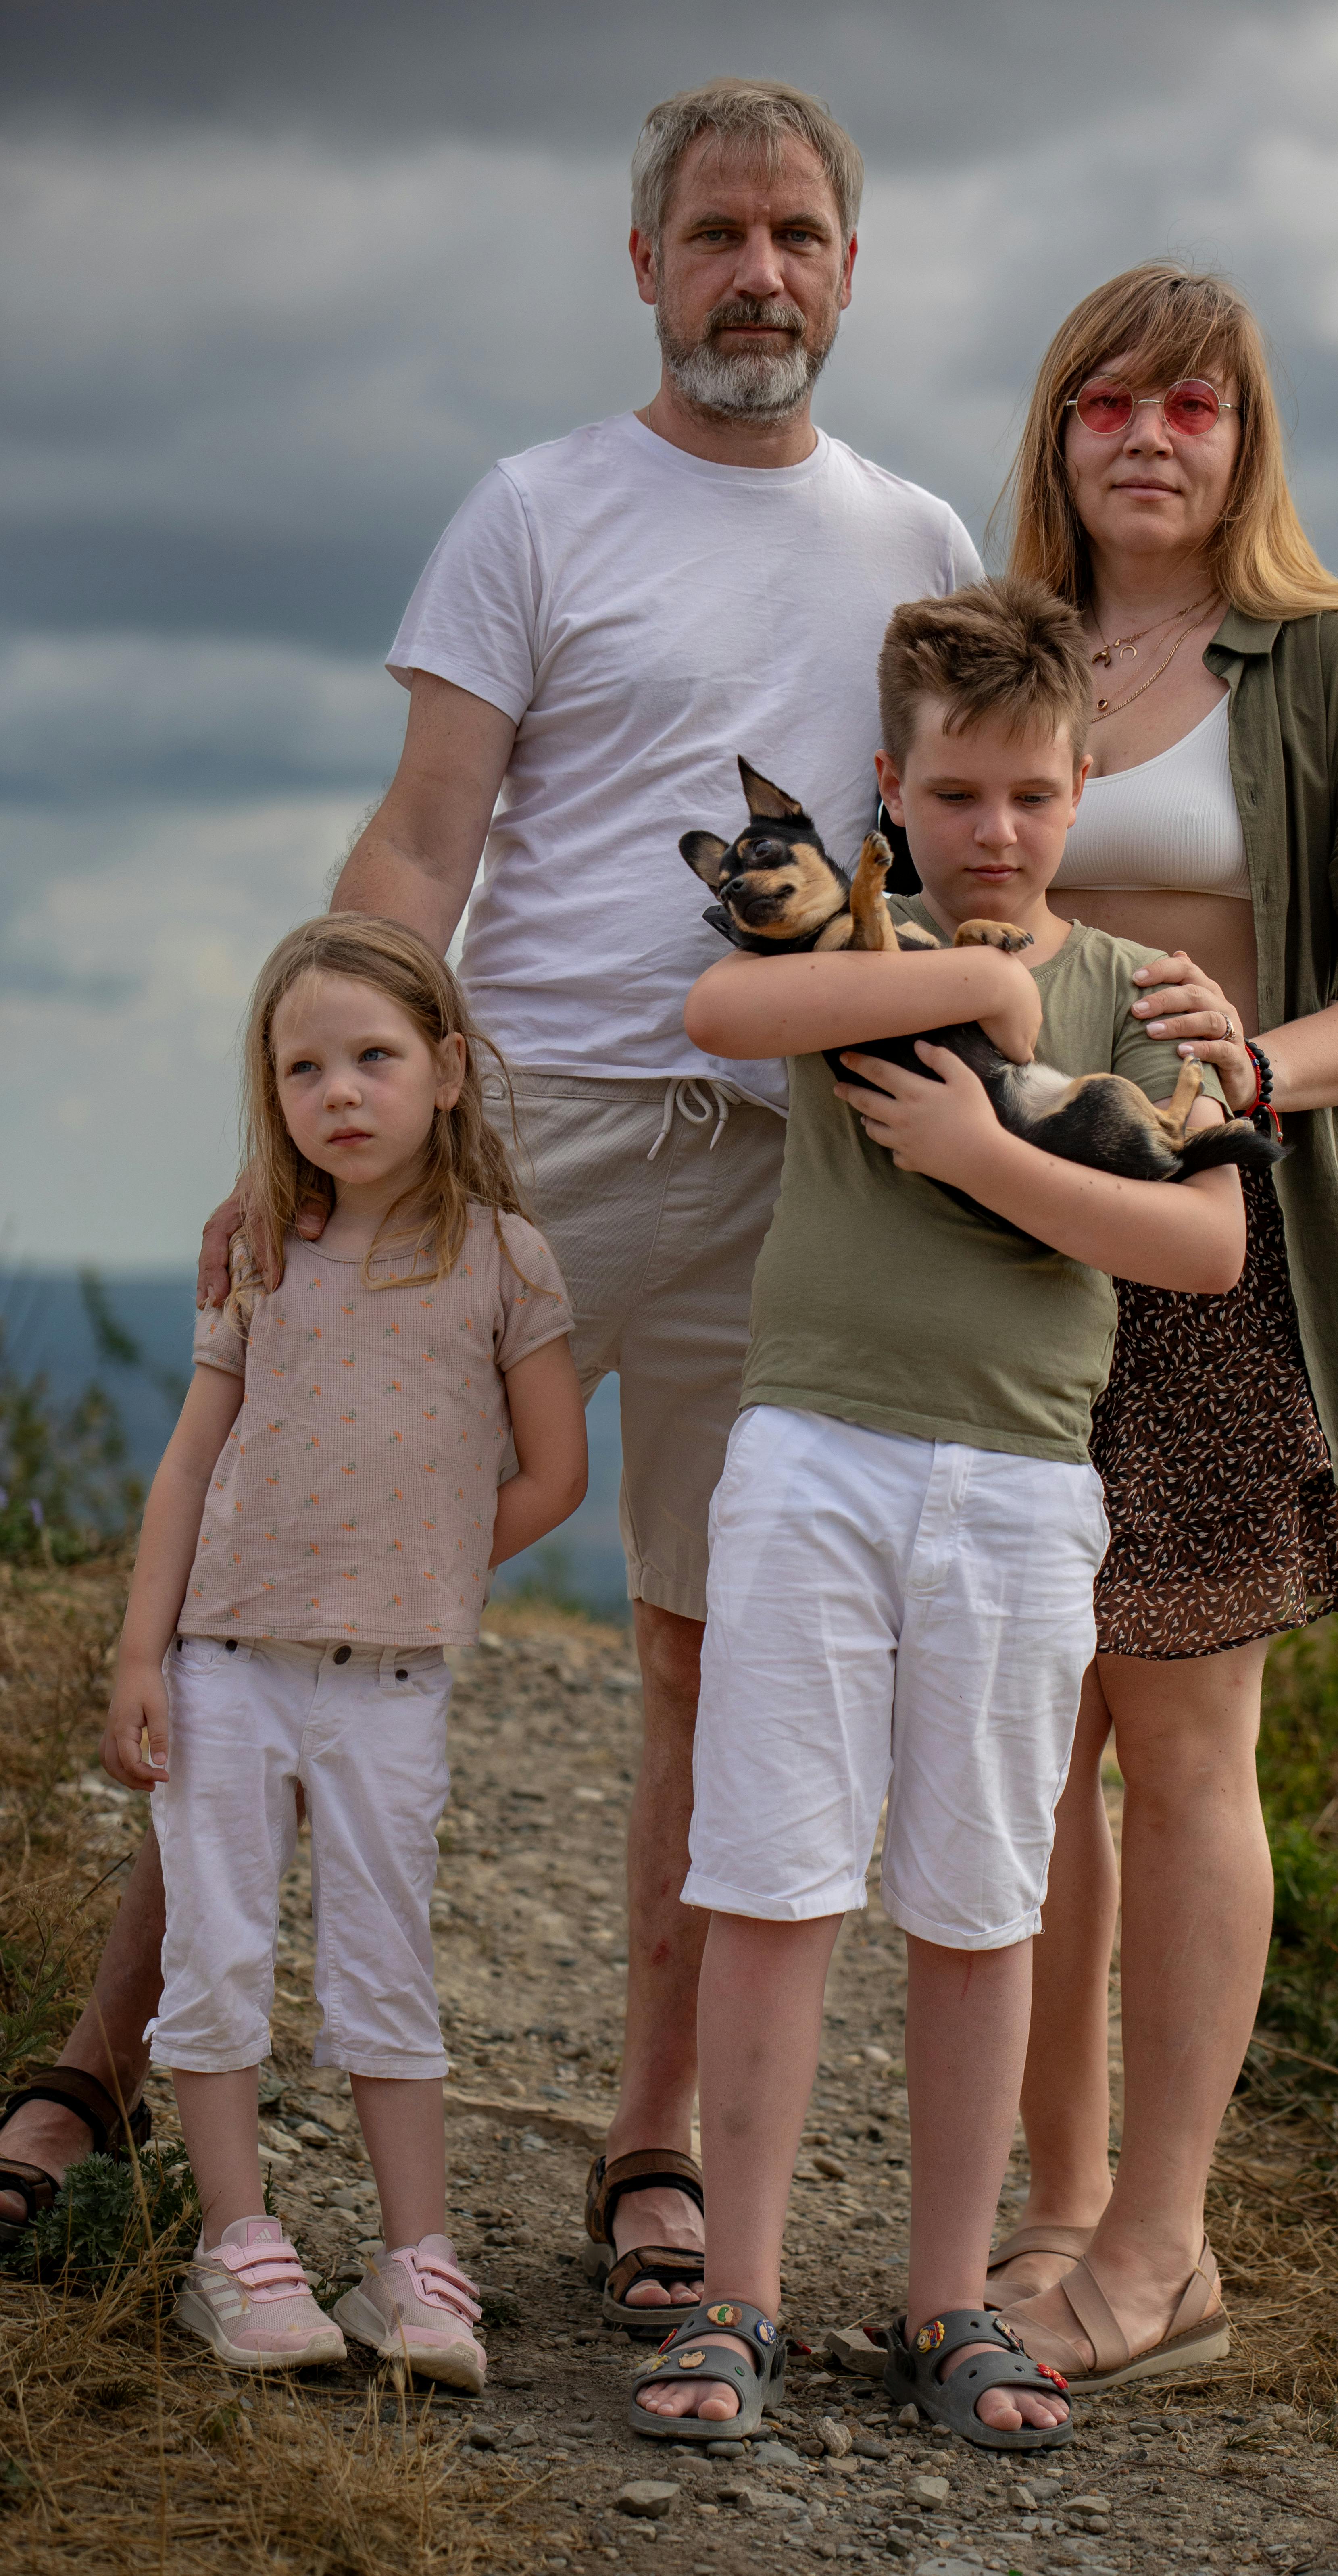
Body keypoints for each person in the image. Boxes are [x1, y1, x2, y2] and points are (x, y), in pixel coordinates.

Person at [0, 77, 982, 2308]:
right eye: (718, 233)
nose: (760, 273)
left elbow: (959, 843)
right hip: (523, 1141)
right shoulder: (537, 509)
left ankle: (651, 2148)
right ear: (643, 265)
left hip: (807, 1163)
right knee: (279, 1582)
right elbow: (426, 838)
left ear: (851, 268)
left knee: (706, 1652)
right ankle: (101, 2062)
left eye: (800, 235)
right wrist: (311, 1140)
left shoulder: (921, 540)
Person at [629, 578, 1255, 2451]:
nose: (997, 835)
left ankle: (940, 2306)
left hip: (1014, 1482)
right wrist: (978, 987)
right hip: (815, 1454)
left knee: (984, 1895)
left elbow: (1208, 1244)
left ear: (1080, 791)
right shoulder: (867, 951)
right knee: (771, 1875)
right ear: (891, 790)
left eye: (1034, 798)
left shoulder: (1135, 999)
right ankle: (739, 2296)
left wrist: (987, 1148)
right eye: (960, 795)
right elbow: (721, 1002)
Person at [978, 265, 1338, 2390]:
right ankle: (1062, 2213)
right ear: (1061, 433)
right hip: (996, 1245)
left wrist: (1255, 1071)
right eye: (1108, 402)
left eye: (1193, 404)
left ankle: (1167, 2251)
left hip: (1214, 1246)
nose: (1150, 437)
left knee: (1183, 1741)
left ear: (1245, 434)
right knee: (1030, 1747)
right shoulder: (994, 654)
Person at [99, 917, 586, 2384]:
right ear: (274, 1094)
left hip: (388, 1683)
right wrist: (140, 1655)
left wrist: (420, 1564)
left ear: (447, 1070)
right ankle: (240, 2252)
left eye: (374, 1058)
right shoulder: (262, 1251)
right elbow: (190, 1465)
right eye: (304, 1068)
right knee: (220, 1948)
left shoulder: (504, 1257)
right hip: (226, 1663)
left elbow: (554, 1474)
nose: (341, 1093)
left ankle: (413, 2266)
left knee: (386, 1959)